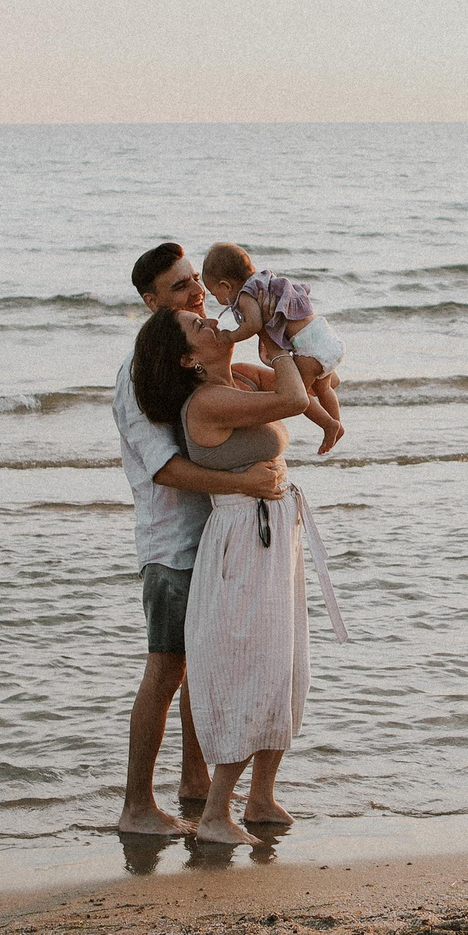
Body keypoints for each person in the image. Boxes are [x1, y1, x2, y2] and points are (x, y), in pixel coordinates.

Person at [130, 302, 325, 846]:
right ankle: (217, 814)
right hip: (243, 537)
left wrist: (288, 321)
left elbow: (308, 381)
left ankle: (260, 797)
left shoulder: (236, 378)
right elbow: (290, 399)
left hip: (273, 529)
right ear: (190, 359)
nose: (210, 321)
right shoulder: (208, 401)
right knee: (251, 665)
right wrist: (273, 336)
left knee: (285, 662)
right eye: (199, 327)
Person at [111, 243, 288, 836]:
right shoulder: (143, 371)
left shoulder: (189, 354)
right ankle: (137, 805)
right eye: (179, 287)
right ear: (150, 300)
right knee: (166, 669)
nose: (194, 294)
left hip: (216, 535)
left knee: (207, 666)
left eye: (194, 282)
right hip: (173, 544)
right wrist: (239, 482)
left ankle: (194, 786)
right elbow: (164, 468)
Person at [200, 241, 346, 454]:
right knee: (324, 389)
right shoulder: (266, 279)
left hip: (308, 348)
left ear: (226, 286)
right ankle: (337, 423)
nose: (218, 299)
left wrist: (231, 336)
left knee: (299, 395)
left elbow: (254, 324)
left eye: (215, 293)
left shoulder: (246, 295)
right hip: (323, 335)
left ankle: (329, 424)